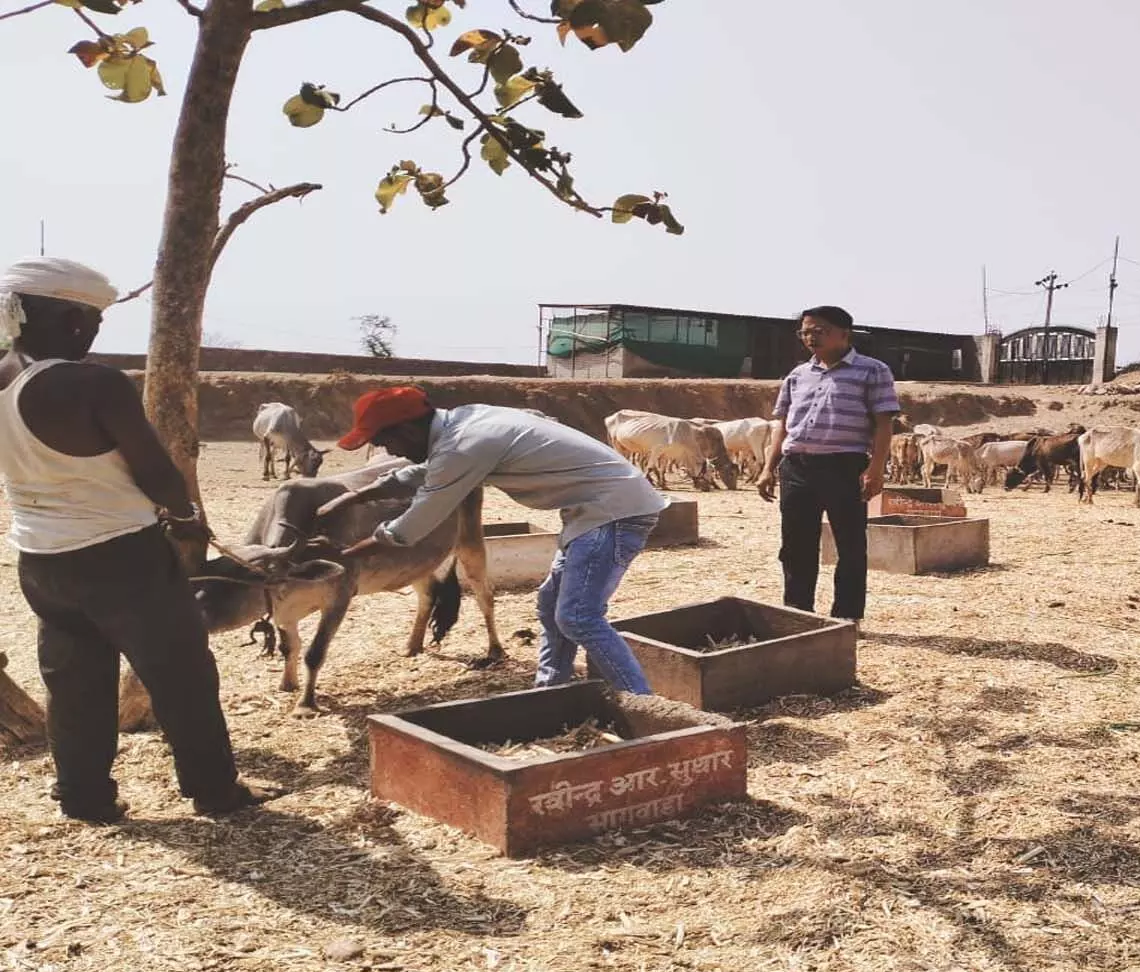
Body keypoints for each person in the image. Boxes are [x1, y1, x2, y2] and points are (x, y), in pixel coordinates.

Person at [0, 257, 257, 823]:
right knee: (181, 673)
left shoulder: (4, 375)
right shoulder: (91, 382)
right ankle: (214, 791)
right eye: (91, 322)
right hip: (120, 555)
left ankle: (83, 796)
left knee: (74, 683)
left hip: (40, 559)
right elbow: (156, 472)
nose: (94, 334)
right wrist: (187, 516)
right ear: (69, 319)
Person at [321, 388, 668, 693]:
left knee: (578, 617)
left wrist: (351, 555)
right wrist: (354, 497)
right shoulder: (466, 423)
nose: (387, 448)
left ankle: (643, 705)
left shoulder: (464, 444)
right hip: (595, 511)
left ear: (408, 428)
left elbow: (412, 526)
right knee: (551, 605)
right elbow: (425, 471)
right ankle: (550, 694)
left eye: (385, 441)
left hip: (614, 511)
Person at [757, 305, 900, 621]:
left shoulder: (872, 371)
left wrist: (875, 469)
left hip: (844, 467)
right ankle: (798, 613)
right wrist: (769, 467)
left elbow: (883, 423)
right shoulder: (797, 375)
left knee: (849, 546)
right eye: (805, 331)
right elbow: (782, 424)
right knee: (795, 546)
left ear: (844, 334)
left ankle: (847, 617)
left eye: (818, 330)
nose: (810, 337)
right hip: (796, 468)